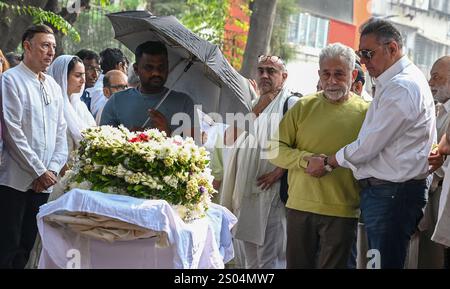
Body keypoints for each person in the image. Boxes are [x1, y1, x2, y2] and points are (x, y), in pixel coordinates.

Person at [321, 18, 438, 268]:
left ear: (392, 48)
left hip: (393, 194)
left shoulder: (402, 87)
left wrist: (329, 162)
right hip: (390, 192)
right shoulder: (397, 80)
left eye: (367, 53)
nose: (363, 61)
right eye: (360, 53)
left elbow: (368, 145)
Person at [269, 43, 369, 268]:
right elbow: (275, 149)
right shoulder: (303, 106)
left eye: (339, 74)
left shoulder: (366, 112)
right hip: (299, 209)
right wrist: (305, 161)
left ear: (353, 75)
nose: (332, 81)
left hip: (342, 211)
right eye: (326, 74)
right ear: (319, 74)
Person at [220, 54, 299, 269]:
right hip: (245, 193)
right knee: (249, 260)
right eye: (261, 70)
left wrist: (278, 172)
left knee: (268, 259)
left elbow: (300, 145)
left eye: (271, 71)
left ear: (284, 76)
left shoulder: (292, 104)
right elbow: (229, 138)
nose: (264, 75)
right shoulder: (251, 103)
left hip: (270, 193)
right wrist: (257, 108)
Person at [0, 24, 68, 269]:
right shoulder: (10, 80)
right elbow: (11, 131)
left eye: (53, 46)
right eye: (44, 45)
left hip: (44, 183)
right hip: (14, 182)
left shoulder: (53, 86)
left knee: (29, 244)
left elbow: (61, 133)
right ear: (27, 46)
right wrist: (39, 170)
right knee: (7, 244)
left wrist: (50, 170)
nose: (50, 52)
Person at [100, 41, 195, 136]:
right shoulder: (116, 101)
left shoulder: (185, 103)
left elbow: (196, 147)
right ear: (136, 69)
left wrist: (168, 134)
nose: (156, 73)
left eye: (161, 67)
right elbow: (101, 144)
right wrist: (129, 141)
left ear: (167, 67)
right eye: (149, 68)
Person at [412, 55, 450, 268]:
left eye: (436, 77)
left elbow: (440, 153)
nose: (430, 83)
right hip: (434, 193)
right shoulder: (439, 110)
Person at [47, 55, 96, 153]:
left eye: (83, 75)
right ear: (62, 76)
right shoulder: (51, 107)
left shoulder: (80, 106)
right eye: (78, 76)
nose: (83, 81)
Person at [90, 48, 128, 119]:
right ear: (120, 66)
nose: (126, 73)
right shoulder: (100, 88)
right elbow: (100, 115)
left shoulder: (99, 84)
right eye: (126, 68)